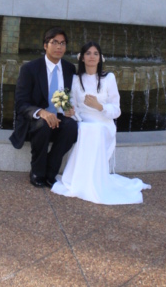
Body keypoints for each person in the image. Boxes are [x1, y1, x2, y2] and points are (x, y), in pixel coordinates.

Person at [52, 41, 151, 205]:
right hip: (83, 121)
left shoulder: (108, 78)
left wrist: (99, 106)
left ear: (100, 58)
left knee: (95, 130)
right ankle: (80, 179)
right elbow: (74, 106)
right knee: (86, 130)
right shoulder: (76, 79)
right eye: (88, 53)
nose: (92, 57)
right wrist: (70, 112)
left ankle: (95, 181)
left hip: (103, 123)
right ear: (82, 58)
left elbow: (117, 110)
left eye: (95, 54)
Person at [9, 27, 78, 188]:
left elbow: (68, 95)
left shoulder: (69, 68)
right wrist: (41, 112)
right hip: (35, 119)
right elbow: (21, 103)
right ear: (45, 45)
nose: (59, 47)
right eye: (55, 42)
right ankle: (37, 171)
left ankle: (51, 170)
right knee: (44, 124)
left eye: (63, 43)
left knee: (72, 127)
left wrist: (67, 108)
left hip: (58, 116)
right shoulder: (30, 69)